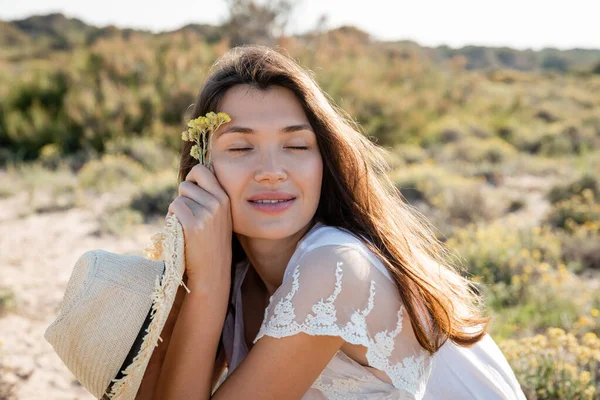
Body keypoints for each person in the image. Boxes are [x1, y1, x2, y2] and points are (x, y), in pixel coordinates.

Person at [148, 45, 526, 399]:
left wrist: (209, 284)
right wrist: (201, 280)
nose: (271, 172)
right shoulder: (240, 279)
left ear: (324, 162)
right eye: (241, 148)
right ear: (202, 170)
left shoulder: (336, 266)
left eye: (297, 146)